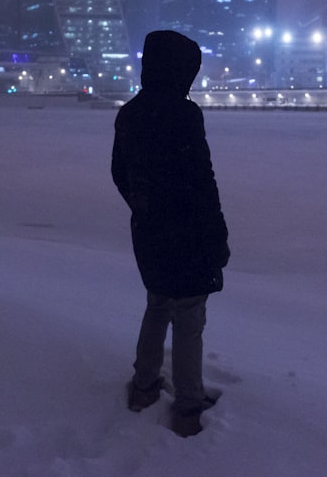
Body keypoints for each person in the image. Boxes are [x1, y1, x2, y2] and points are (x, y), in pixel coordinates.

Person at [111, 30, 231, 438]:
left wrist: (144, 206)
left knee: (158, 303)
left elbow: (119, 172)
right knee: (188, 317)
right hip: (188, 231)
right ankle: (188, 405)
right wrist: (217, 235)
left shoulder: (129, 113)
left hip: (149, 232)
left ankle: (144, 387)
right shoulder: (183, 115)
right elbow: (202, 179)